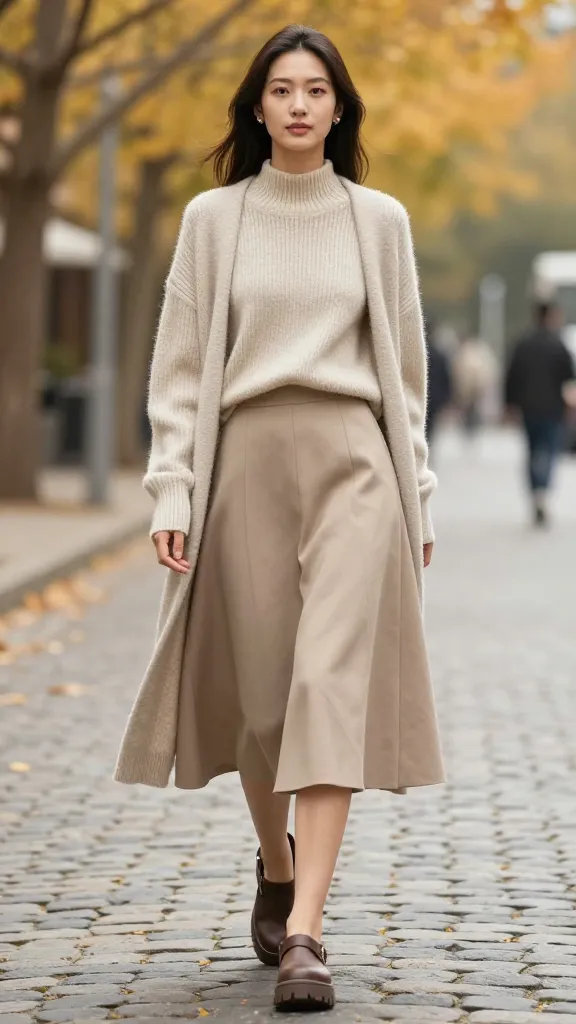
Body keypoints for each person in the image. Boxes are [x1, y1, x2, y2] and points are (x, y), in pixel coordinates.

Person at [115, 25, 444, 1013]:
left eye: (316, 91)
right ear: (256, 108)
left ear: (339, 109)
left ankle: (306, 931)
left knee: (327, 686)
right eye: (280, 90)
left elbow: (410, 379)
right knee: (264, 703)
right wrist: (171, 487)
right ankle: (275, 857)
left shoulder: (377, 220)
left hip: (353, 464)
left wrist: (415, 490)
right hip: (243, 462)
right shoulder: (213, 220)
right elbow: (178, 372)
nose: (299, 105)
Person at [505, 300, 575, 527]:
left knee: (533, 448)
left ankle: (536, 490)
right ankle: (543, 490)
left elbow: (512, 376)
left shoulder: (523, 344)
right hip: (552, 408)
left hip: (528, 408)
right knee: (549, 449)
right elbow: (568, 376)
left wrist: (510, 404)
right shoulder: (558, 344)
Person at [452, 334, 498, 438]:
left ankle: (470, 426)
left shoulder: (465, 352)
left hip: (469, 387)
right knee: (472, 408)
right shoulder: (479, 353)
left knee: (470, 407)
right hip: (474, 386)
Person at [425, 316, 452, 455]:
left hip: (419, 396)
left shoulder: (416, 353)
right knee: (430, 427)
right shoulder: (439, 354)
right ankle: (426, 448)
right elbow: (446, 379)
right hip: (434, 398)